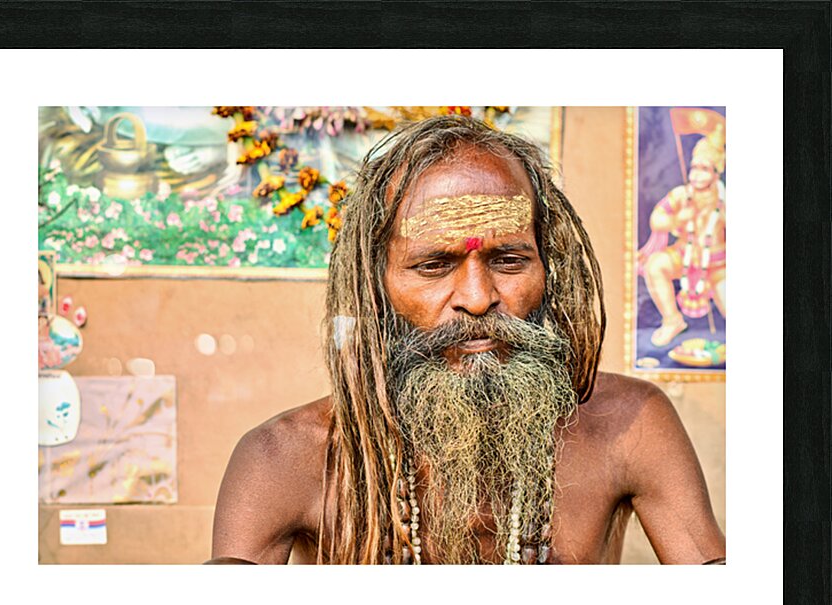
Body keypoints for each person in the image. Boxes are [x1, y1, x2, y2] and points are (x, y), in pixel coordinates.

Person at [210, 115, 726, 565]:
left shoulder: (630, 425)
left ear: (548, 269)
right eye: (434, 265)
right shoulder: (283, 458)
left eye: (509, 260)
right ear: (375, 285)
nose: (478, 299)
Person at [639, 130, 726, 348]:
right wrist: (677, 219)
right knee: (655, 265)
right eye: (694, 168)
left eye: (704, 169)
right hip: (684, 254)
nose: (696, 174)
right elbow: (656, 219)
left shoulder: (724, 200)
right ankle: (672, 321)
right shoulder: (681, 194)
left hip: (717, 264)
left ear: (716, 173)